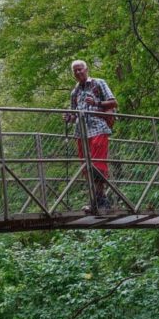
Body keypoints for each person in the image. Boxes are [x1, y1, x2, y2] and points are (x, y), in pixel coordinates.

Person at [64, 60, 117, 212]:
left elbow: (114, 103)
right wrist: (69, 117)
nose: (78, 72)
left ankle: (101, 201)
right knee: (86, 167)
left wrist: (96, 102)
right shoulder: (74, 92)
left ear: (86, 69)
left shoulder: (98, 83)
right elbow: (74, 113)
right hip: (81, 132)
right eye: (75, 71)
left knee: (97, 164)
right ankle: (97, 201)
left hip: (98, 128)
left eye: (80, 69)